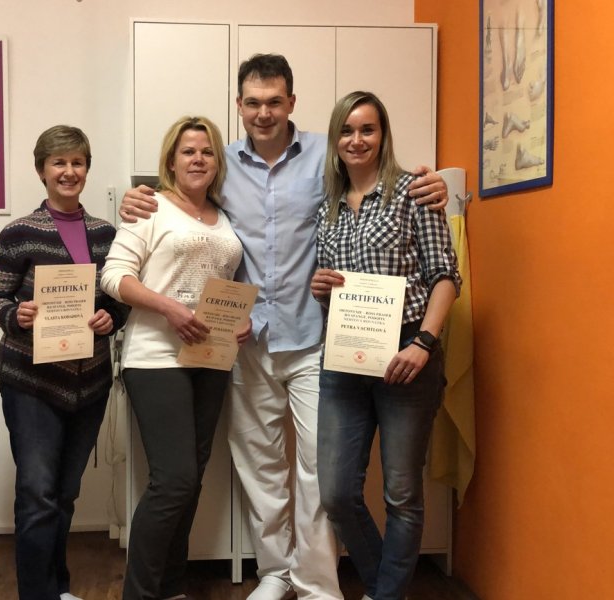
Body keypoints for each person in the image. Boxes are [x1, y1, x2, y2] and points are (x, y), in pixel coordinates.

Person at [119, 54, 449, 600]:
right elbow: (183, 193)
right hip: (244, 341)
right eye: (253, 102)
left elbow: (380, 174)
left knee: (319, 473)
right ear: (239, 105)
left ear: (292, 102)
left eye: (275, 101)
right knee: (260, 466)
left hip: (317, 339)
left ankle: (316, 582)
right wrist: (142, 194)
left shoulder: (327, 153)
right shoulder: (221, 162)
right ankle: (274, 572)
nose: (264, 112)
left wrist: (431, 183)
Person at [310, 91, 461, 600]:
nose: (357, 140)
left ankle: (386, 593)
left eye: (367, 129)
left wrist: (424, 343)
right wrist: (320, 287)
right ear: (335, 138)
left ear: (383, 135)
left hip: (407, 353)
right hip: (345, 353)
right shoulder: (327, 207)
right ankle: (386, 589)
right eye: (347, 130)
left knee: (402, 492)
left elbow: (445, 276)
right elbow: (331, 285)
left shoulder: (414, 192)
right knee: (335, 492)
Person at [101, 116, 250, 600]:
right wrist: (169, 307)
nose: (198, 159)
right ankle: (140, 593)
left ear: (217, 162)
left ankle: (170, 588)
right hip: (156, 358)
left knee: (192, 480)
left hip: (210, 357)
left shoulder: (225, 216)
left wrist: (241, 321)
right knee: (174, 481)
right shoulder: (150, 207)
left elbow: (230, 285)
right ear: (171, 160)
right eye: (188, 151)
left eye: (206, 151)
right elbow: (114, 276)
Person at [0, 125, 130, 600]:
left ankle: (57, 587)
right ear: (42, 171)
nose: (69, 171)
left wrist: (112, 317)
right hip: (31, 382)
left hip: (90, 384)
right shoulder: (19, 232)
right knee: (38, 495)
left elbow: (119, 300)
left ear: (87, 169)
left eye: (77, 162)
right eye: (59, 163)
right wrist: (16, 315)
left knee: (65, 494)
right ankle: (37, 593)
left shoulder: (107, 234)